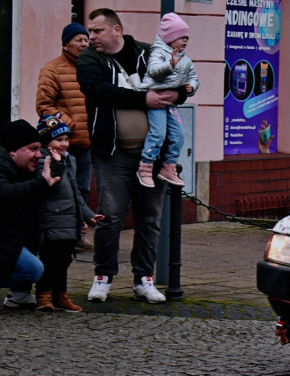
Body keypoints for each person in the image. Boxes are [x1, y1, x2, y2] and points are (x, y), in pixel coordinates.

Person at [77, 8, 182, 304]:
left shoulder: (147, 54)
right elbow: (96, 90)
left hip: (153, 157)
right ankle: (103, 276)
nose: (91, 36)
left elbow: (180, 81)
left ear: (116, 30)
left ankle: (144, 279)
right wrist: (145, 98)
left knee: (149, 218)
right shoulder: (90, 59)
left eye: (97, 30)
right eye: (90, 31)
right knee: (110, 217)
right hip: (113, 154)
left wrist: (176, 94)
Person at [32, 114, 104, 312]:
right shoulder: (43, 161)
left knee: (64, 259)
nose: (64, 144)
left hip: (69, 219)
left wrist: (88, 214)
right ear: (46, 142)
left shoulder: (69, 159)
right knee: (50, 259)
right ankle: (43, 294)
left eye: (66, 139)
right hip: (51, 220)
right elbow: (48, 185)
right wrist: (56, 164)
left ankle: (60, 295)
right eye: (59, 140)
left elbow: (76, 192)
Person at [0, 120, 61, 307]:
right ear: (13, 150)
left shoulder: (19, 167)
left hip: (3, 239)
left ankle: (19, 296)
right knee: (31, 269)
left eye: (40, 149)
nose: (39, 154)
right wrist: (40, 184)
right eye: (33, 149)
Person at [37, 21, 94, 253]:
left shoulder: (92, 67)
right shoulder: (52, 69)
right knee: (60, 191)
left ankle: (78, 235)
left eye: (86, 40)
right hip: (63, 144)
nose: (84, 44)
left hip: (87, 143)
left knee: (82, 189)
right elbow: (44, 106)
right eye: (78, 40)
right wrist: (69, 126)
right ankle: (55, 236)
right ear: (65, 44)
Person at [137, 12, 197, 188]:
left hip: (170, 103)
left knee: (179, 134)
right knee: (158, 133)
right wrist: (170, 64)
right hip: (155, 99)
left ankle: (169, 166)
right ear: (169, 38)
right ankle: (145, 166)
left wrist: (191, 86)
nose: (185, 40)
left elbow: (193, 76)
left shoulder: (185, 59)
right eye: (180, 37)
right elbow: (153, 71)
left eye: (186, 37)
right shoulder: (158, 53)